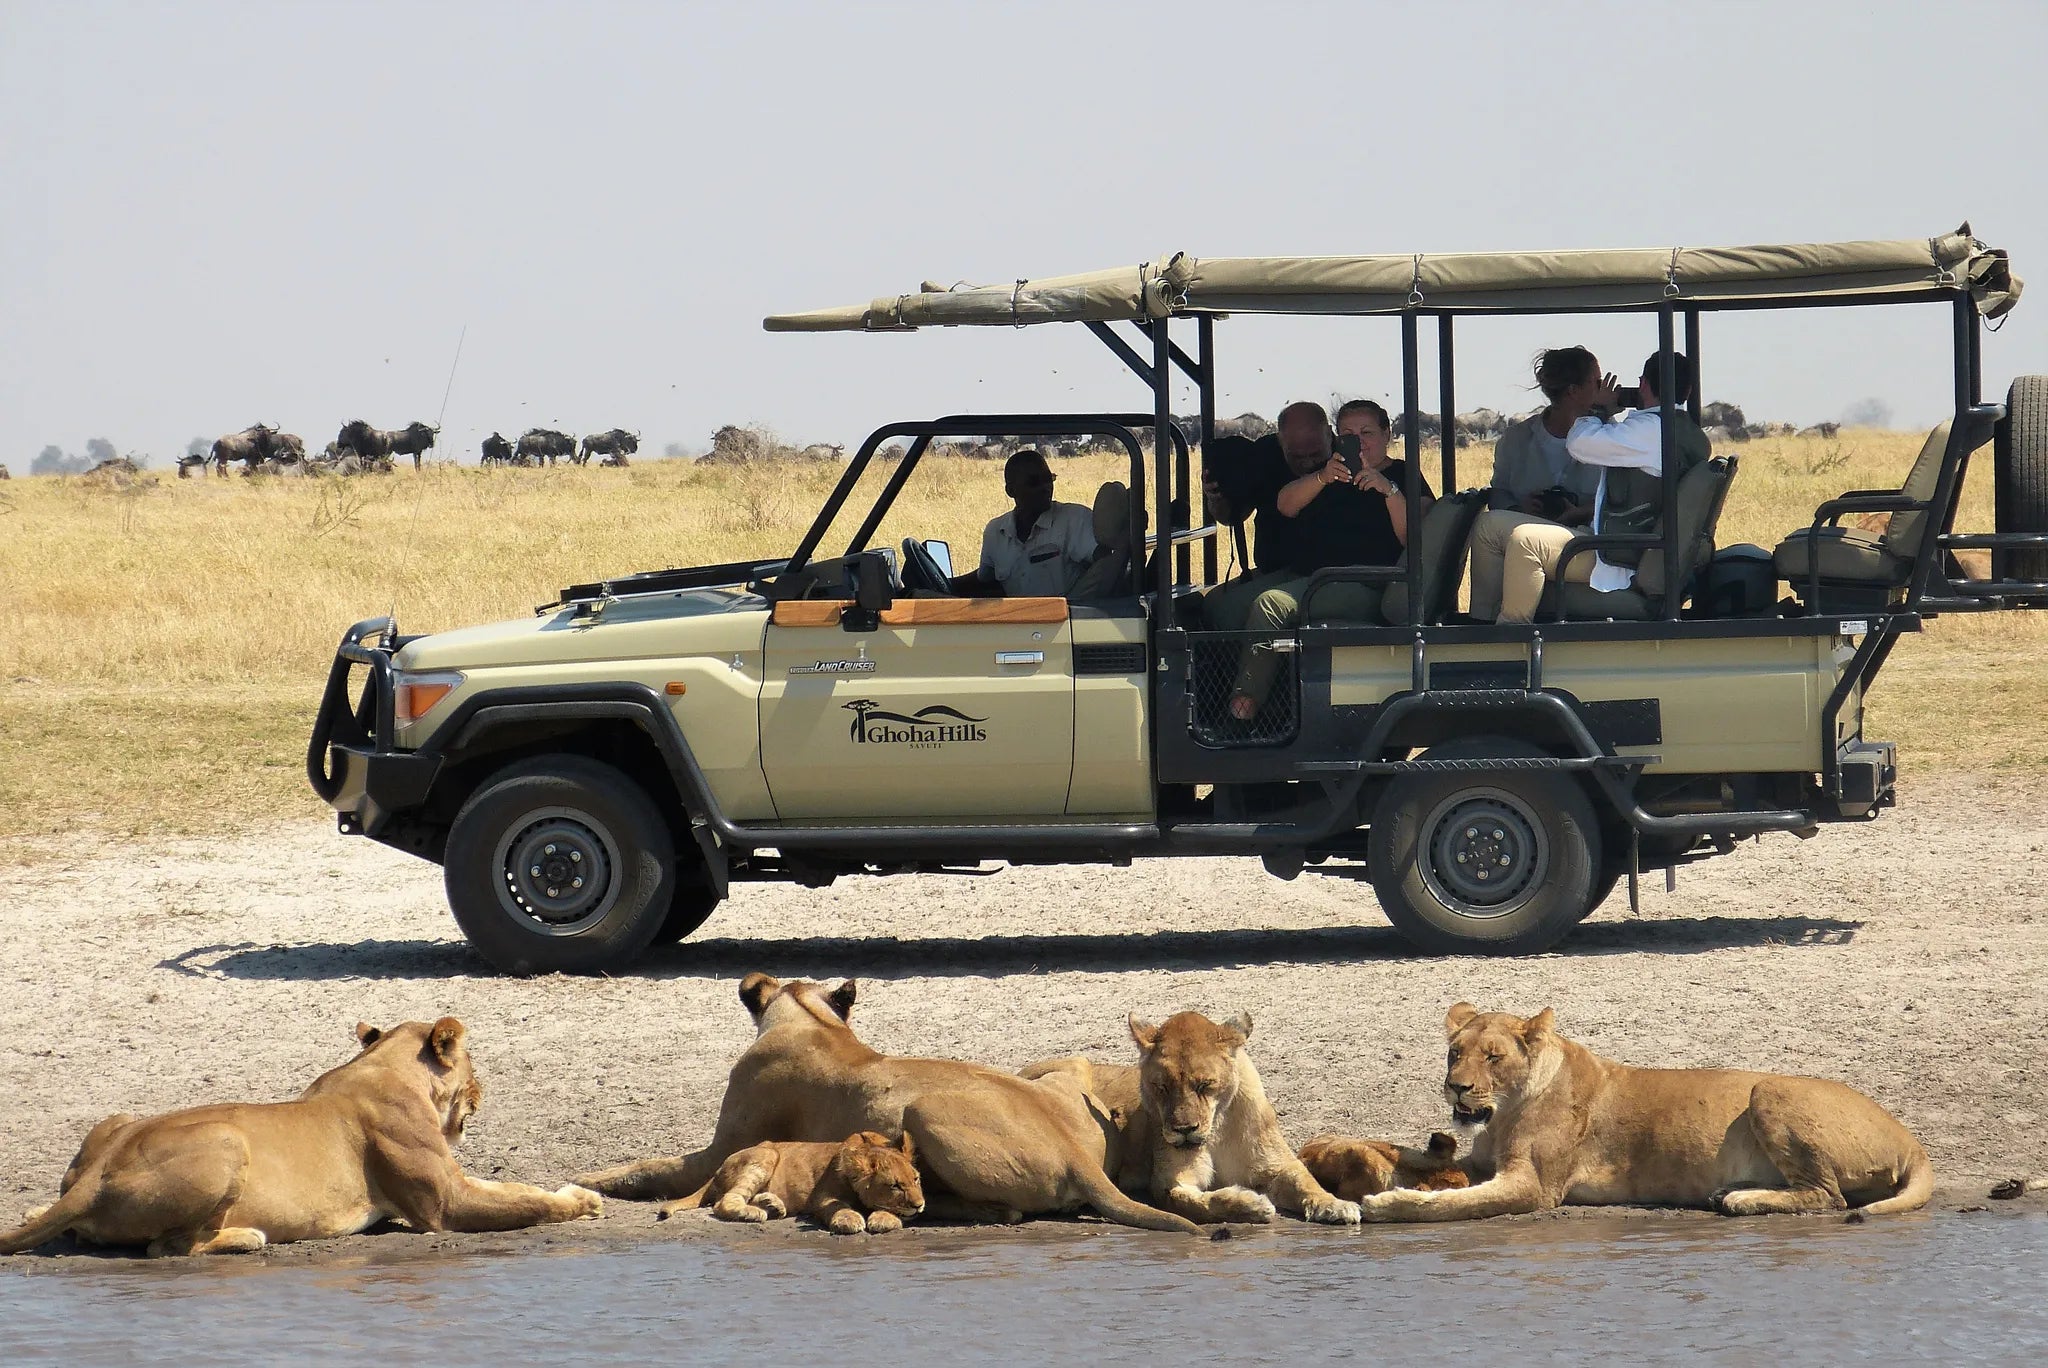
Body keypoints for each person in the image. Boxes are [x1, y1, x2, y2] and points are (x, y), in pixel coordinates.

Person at [1222, 399, 1433, 719]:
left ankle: (1244, 707)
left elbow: (1413, 538)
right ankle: (1262, 690)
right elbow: (1285, 505)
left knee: (1271, 605)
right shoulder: (1334, 473)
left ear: (1387, 434)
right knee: (1221, 608)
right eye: (1348, 433)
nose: (1358, 441)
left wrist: (1388, 490)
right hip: (1311, 574)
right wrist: (1322, 477)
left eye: (1367, 432)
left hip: (1365, 582)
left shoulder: (1403, 473)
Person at [1467, 350, 1710, 624]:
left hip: (1620, 557)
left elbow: (1578, 442)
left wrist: (1598, 409)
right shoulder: (1687, 434)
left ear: (1642, 385)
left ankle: (1508, 638)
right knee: (1488, 526)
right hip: (1634, 548)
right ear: (1688, 390)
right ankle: (1482, 625)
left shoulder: (1649, 431)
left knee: (1526, 541)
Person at [949, 448, 1097, 597]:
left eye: (1048, 479)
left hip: (1064, 618)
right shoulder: (995, 532)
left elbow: (1102, 564)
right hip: (1017, 618)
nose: (1045, 487)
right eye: (1034, 482)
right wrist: (946, 585)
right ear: (1011, 490)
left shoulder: (1074, 519)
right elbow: (985, 580)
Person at [1486, 347, 1608, 515]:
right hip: (1526, 533)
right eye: (1597, 382)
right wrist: (1518, 509)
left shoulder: (1610, 437)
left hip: (1585, 539)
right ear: (1573, 391)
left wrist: (1582, 512)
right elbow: (1498, 493)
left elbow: (1625, 502)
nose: (1602, 390)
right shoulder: (1515, 440)